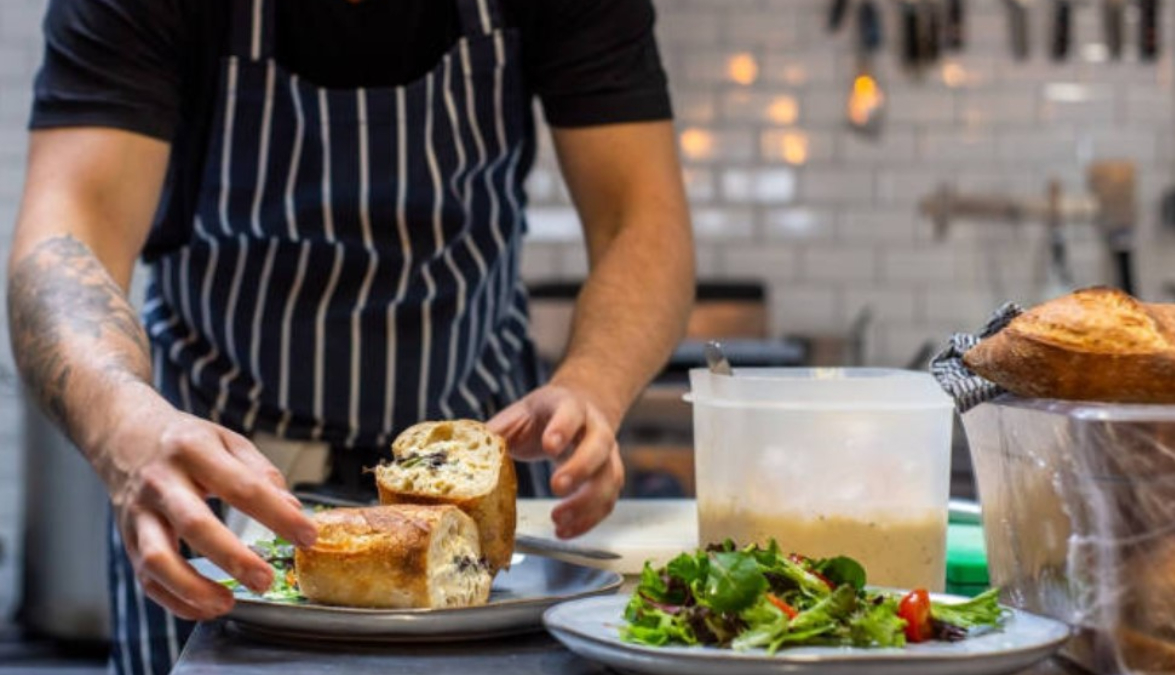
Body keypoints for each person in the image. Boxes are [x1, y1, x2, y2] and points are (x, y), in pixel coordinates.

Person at [5, 0, 694, 672]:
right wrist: (123, 419)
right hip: (215, 504)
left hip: (476, 536)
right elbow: (66, 237)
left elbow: (641, 220)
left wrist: (592, 386)